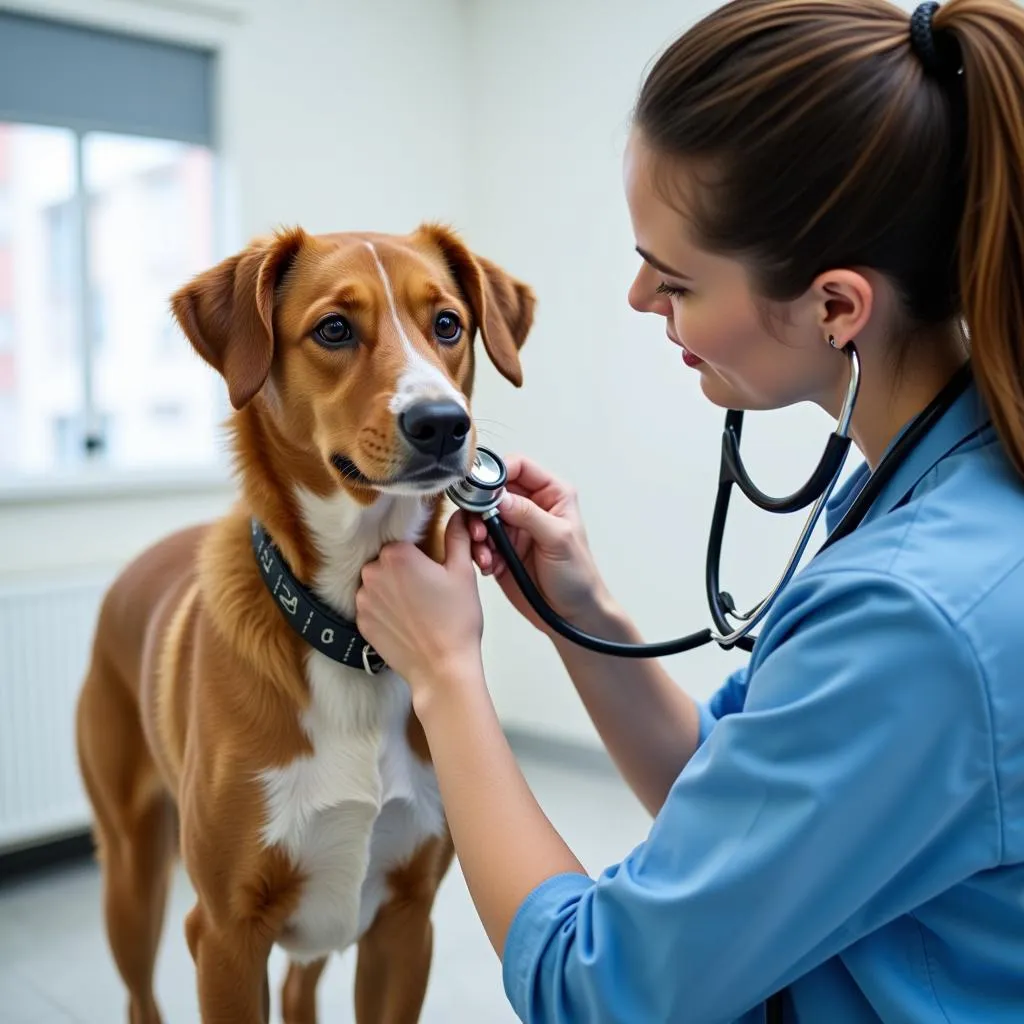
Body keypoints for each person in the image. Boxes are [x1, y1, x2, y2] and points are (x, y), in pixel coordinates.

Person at [355, 0, 1024, 1020]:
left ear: (835, 308)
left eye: (672, 278)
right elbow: (750, 805)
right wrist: (585, 618)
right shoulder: (950, 487)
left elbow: (600, 988)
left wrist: (445, 675)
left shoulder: (911, 612)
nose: (635, 298)